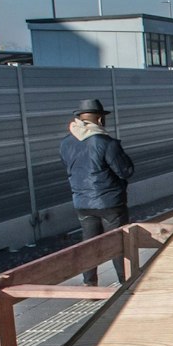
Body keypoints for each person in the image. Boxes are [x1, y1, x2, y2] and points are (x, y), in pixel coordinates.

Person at [58, 98, 135, 286]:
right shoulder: (106, 143)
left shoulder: (66, 144)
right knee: (118, 244)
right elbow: (125, 171)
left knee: (89, 245)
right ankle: (127, 284)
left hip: (82, 203)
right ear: (100, 120)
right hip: (110, 203)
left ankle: (89, 285)